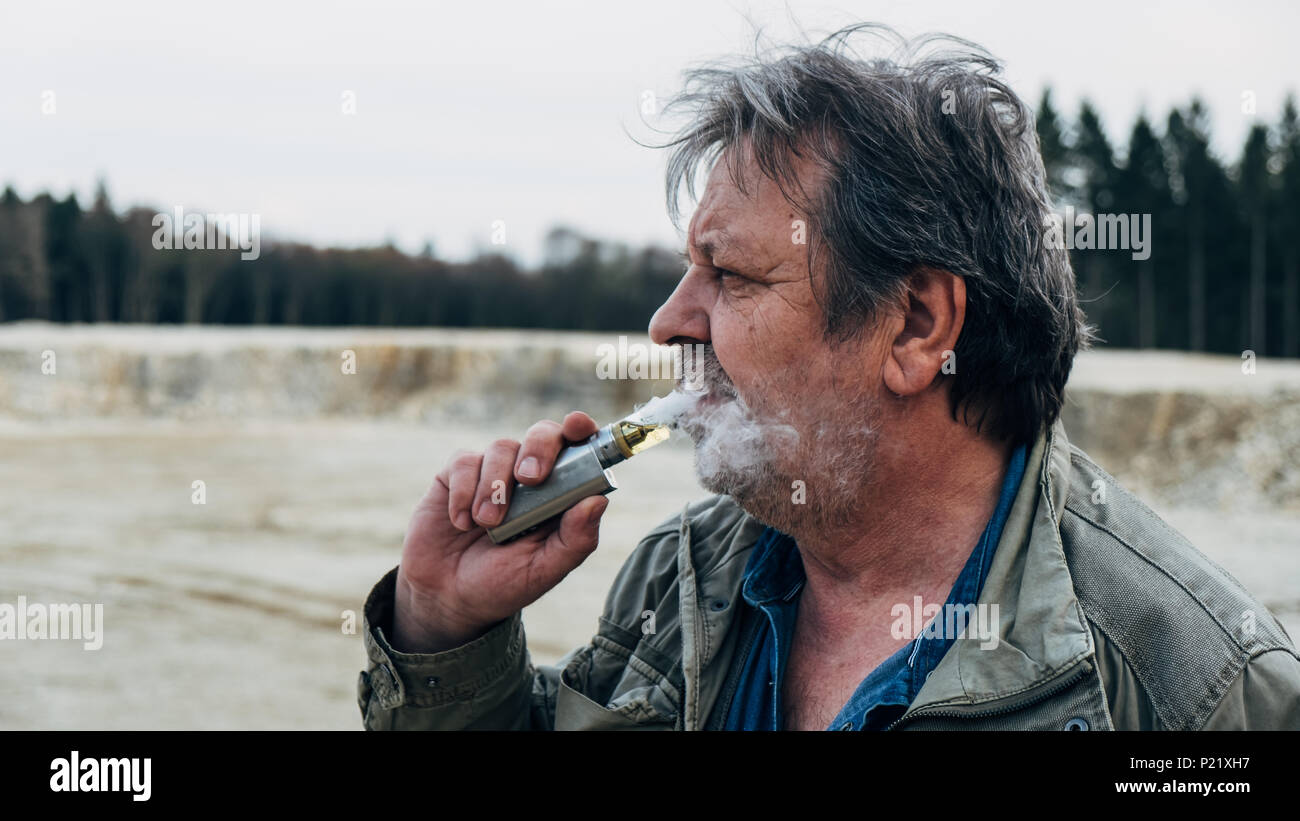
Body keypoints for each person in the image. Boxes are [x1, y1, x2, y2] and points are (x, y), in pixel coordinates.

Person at [356, 23, 1300, 730]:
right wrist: (446, 631)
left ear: (917, 326)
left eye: (730, 275)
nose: (669, 323)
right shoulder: (677, 578)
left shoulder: (1201, 688)